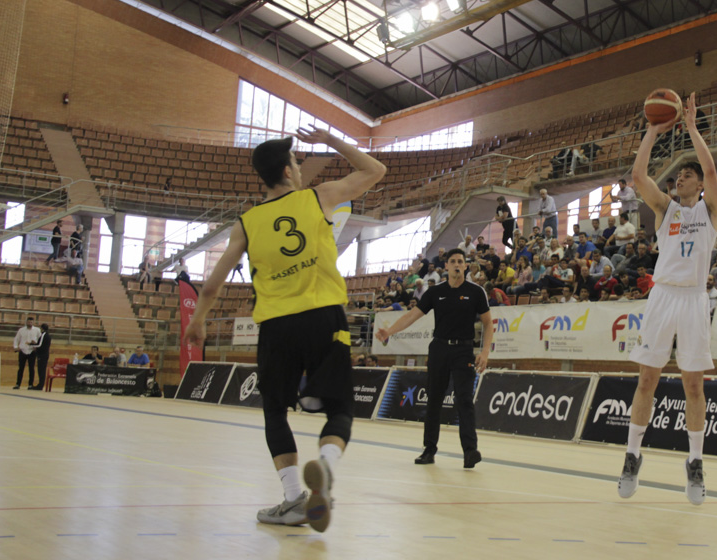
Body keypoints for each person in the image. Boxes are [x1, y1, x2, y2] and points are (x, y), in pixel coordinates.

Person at [184, 127, 386, 532]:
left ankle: (294, 496)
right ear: (290, 170)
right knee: (342, 408)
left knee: (275, 411)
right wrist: (331, 139)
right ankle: (326, 468)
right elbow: (375, 169)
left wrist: (199, 319)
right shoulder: (319, 197)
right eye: (296, 161)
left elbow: (212, 283)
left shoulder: (247, 222)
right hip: (324, 317)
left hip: (276, 325)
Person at [618, 92, 717, 507]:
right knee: (647, 379)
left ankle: (695, 463)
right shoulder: (666, 210)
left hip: (695, 300)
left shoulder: (709, 212)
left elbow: (713, 169)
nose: (680, 179)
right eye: (678, 177)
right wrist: (651, 131)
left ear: (698, 185)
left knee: (693, 386)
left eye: (686, 176)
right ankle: (632, 455)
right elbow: (638, 176)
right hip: (662, 298)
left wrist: (692, 127)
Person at [376, 248, 491, 469]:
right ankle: (429, 450)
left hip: (463, 351)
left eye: (460, 261)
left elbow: (488, 323)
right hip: (439, 349)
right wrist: (390, 331)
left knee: (464, 400)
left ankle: (470, 451)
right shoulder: (435, 292)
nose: (457, 264)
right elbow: (412, 315)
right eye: (453, 261)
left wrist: (484, 352)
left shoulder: (476, 292)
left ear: (465, 266)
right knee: (434, 400)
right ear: (446, 266)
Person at [13, 317, 41, 390]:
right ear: (26, 322)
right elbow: (16, 339)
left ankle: (30, 384)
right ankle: (18, 384)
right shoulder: (21, 330)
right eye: (29, 322)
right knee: (20, 368)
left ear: (33, 322)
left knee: (31, 368)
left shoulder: (37, 330)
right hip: (22, 350)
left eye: (31, 322)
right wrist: (16, 347)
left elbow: (40, 340)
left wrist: (36, 346)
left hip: (32, 351)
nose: (30, 323)